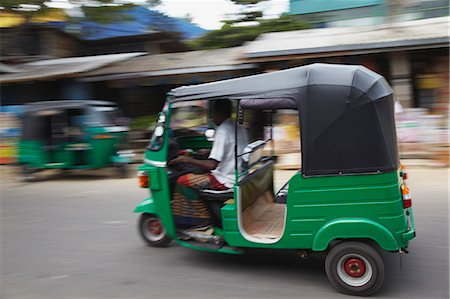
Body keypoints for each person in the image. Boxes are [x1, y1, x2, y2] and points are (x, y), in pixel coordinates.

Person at [169, 99, 248, 231]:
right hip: (237, 175)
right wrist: (206, 153)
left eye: (213, 115)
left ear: (219, 114)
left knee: (183, 181)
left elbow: (212, 165)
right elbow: (228, 151)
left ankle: (200, 222)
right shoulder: (238, 127)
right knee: (197, 174)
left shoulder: (222, 131)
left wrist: (187, 160)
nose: (212, 118)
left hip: (224, 180)